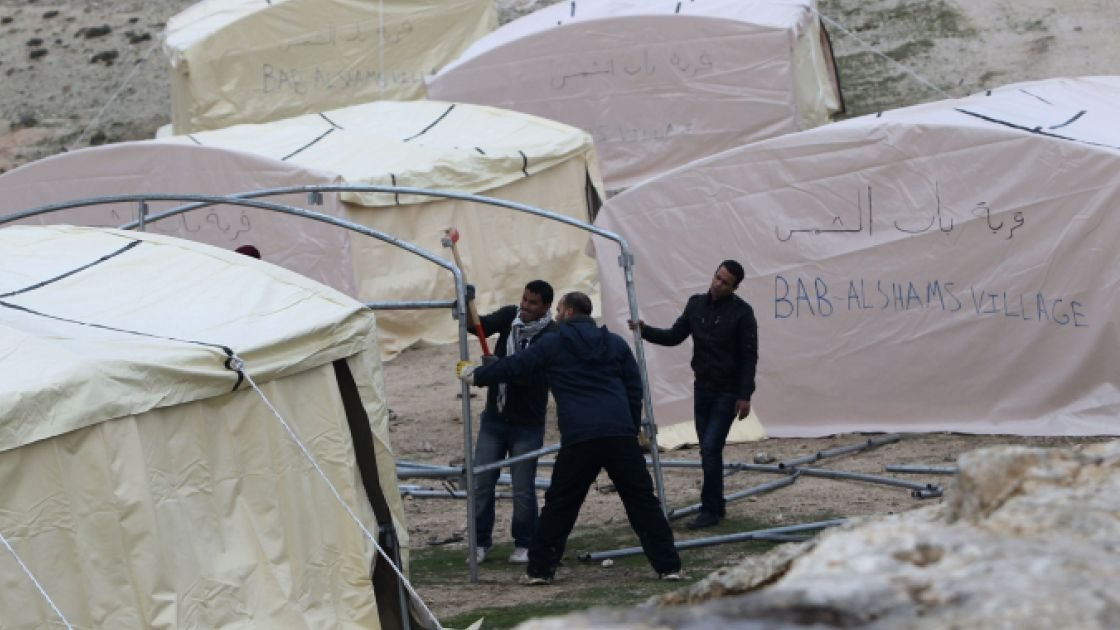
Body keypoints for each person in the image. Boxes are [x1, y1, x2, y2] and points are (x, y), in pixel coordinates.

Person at [458, 291, 682, 584]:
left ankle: (540, 570)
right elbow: (633, 387)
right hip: (618, 435)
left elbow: (517, 365)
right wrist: (629, 425)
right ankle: (669, 567)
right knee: (643, 503)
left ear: (565, 312)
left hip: (580, 436)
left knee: (561, 505)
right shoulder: (614, 343)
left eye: (559, 310)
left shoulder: (554, 343)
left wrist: (477, 375)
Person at [628, 260, 758, 530]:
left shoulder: (743, 314)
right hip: (703, 388)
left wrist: (744, 395)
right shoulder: (696, 304)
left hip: (727, 391)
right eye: (717, 277)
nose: (718, 284)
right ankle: (716, 504)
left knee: (711, 448)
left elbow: (749, 357)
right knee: (708, 450)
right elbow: (675, 335)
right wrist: (645, 330)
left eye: (725, 282)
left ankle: (709, 508)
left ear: (735, 287)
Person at [465, 280, 557, 564]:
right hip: (495, 417)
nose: (525, 306)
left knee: (522, 487)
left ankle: (525, 542)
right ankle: (480, 541)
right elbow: (475, 325)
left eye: (532, 303)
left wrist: (498, 370)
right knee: (482, 480)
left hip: (527, 422)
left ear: (545, 307)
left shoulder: (552, 337)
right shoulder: (509, 318)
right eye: (524, 299)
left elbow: (535, 375)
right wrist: (466, 301)